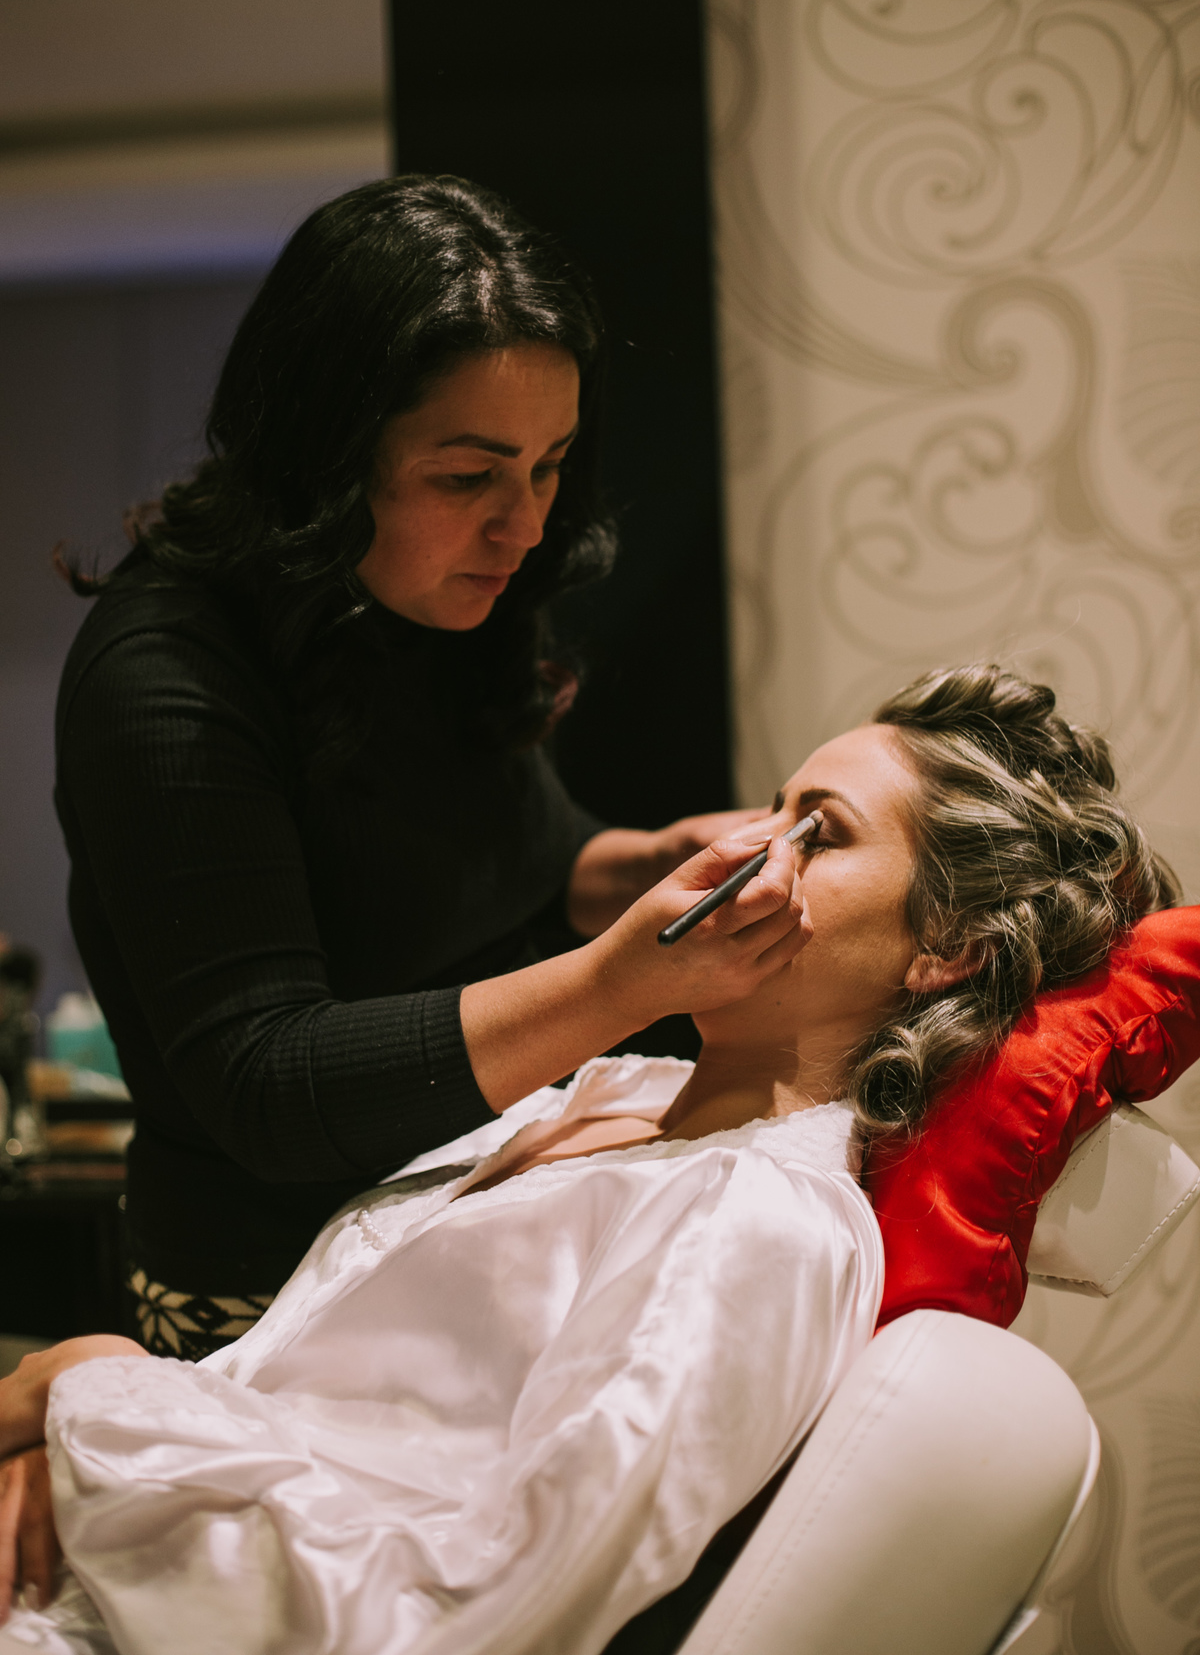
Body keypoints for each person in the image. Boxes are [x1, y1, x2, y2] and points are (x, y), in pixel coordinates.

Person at [6, 667, 1177, 1655]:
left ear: (946, 948)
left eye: (819, 832)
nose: (741, 849)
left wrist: (95, 1397)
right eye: (770, 808)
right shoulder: (616, 1096)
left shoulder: (758, 1225)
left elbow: (463, 1616)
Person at [53, 175, 783, 1357]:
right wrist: (620, 983)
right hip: (260, 1301)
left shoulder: (437, 596)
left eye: (550, 464)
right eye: (468, 476)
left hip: (450, 1240)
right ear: (326, 454)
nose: (525, 525)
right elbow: (268, 1084)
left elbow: (520, 862)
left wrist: (645, 864)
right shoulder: (163, 675)